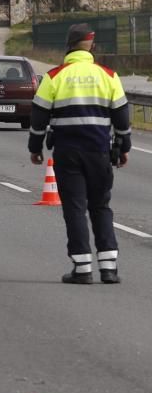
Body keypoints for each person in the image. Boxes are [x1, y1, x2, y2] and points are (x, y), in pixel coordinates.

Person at [28, 23, 130, 284]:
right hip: (98, 151)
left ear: (68, 46)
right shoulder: (108, 75)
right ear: (92, 46)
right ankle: (109, 268)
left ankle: (82, 268)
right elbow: (121, 114)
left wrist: (35, 147)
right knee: (100, 206)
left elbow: (39, 115)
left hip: (68, 151)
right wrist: (123, 146)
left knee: (75, 208)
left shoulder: (55, 76)